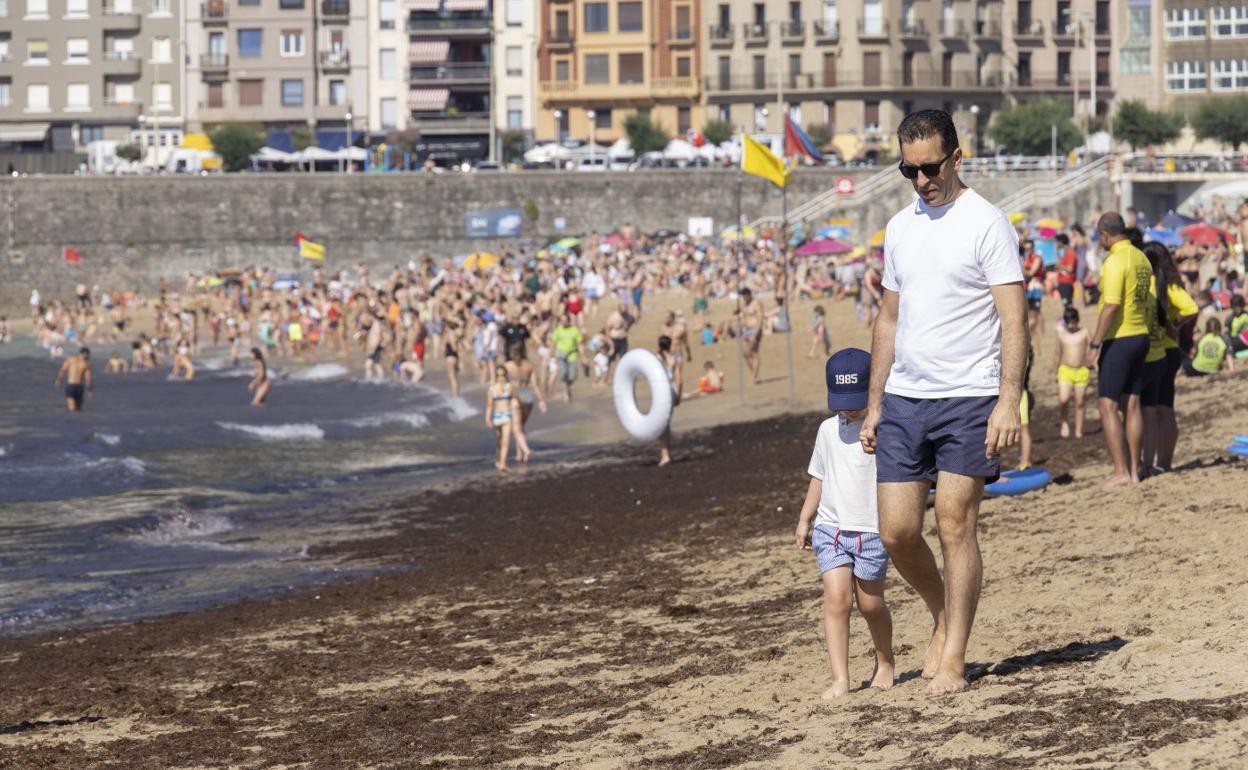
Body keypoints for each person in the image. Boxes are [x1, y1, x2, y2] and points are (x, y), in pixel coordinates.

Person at [859, 109, 1026, 695]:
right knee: (897, 533)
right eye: (909, 170)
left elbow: (1014, 319)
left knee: (955, 521)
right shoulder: (900, 228)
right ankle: (942, 614)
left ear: (957, 158)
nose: (922, 180)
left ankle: (954, 657)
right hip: (905, 397)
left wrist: (1008, 400)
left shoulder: (987, 224)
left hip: (970, 395)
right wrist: (875, 402)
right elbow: (888, 318)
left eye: (930, 167)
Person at [794, 348, 894, 700]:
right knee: (836, 599)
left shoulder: (885, 428)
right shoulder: (827, 430)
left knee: (870, 605)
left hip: (871, 530)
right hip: (831, 528)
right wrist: (805, 519)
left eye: (856, 402)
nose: (849, 410)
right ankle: (840, 678)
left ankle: (885, 660)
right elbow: (818, 477)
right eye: (842, 402)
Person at [1086, 212, 1153, 487]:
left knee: (1107, 405)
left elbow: (1111, 305)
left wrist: (1095, 343)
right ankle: (1135, 471)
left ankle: (1120, 471)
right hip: (1141, 335)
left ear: (1104, 234)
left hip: (1120, 338)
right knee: (1132, 403)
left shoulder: (1115, 261)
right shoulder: (1141, 257)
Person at [1140, 242, 1198, 476]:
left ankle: (1153, 463)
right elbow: (1191, 308)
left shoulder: (1150, 283)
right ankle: (1165, 463)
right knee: (1166, 409)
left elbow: (1191, 308)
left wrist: (1172, 324)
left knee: (1151, 411)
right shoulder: (1170, 283)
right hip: (1170, 351)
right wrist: (1174, 325)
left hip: (1154, 351)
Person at [504, 342, 546, 464]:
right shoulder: (529, 365)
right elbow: (535, 384)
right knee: (521, 427)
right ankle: (519, 454)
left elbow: (503, 384)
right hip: (527, 394)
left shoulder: (507, 366)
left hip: (515, 395)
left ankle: (526, 450)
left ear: (511, 353)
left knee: (516, 428)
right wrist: (541, 400)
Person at [1054, 306, 1091, 439]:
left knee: (1079, 402)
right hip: (1065, 370)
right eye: (1068, 323)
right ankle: (1064, 422)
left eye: (1073, 322)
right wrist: (1054, 372)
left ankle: (1079, 428)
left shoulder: (1085, 332)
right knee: (1063, 399)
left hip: (1081, 370)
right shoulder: (1061, 334)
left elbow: (1092, 348)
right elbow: (1057, 353)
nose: (1071, 326)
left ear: (1077, 320)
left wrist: (1092, 362)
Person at [657, 335, 682, 467]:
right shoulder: (674, 359)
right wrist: (678, 395)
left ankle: (665, 455)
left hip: (660, 393)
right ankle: (666, 453)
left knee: (662, 425)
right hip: (671, 391)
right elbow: (679, 380)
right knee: (665, 423)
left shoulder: (656, 359)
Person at [484, 364, 514, 474]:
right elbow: (514, 401)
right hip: (503, 415)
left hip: (501, 415)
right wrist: (488, 418)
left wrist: (488, 418)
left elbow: (489, 405)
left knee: (503, 440)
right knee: (501, 441)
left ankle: (502, 463)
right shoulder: (506, 387)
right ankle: (499, 460)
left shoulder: (496, 389)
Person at [551, 312, 585, 402]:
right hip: (561, 354)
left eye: (565, 320)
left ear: (569, 321)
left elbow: (579, 344)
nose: (563, 322)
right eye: (562, 321)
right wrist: (551, 355)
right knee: (563, 374)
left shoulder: (574, 330)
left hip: (572, 354)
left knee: (572, 376)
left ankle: (568, 387)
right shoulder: (558, 330)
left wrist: (583, 357)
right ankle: (565, 393)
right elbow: (553, 343)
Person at [54, 347, 94, 412]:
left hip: (71, 386)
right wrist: (89, 391)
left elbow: (63, 370)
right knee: (78, 409)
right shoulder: (86, 364)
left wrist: (58, 381)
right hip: (79, 387)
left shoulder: (70, 360)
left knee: (72, 410)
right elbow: (88, 379)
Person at [739, 287, 764, 384]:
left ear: (749, 294)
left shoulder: (756, 303)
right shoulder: (744, 304)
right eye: (743, 296)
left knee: (754, 352)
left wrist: (756, 333)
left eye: (745, 295)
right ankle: (755, 375)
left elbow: (760, 318)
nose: (744, 297)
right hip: (746, 330)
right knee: (745, 353)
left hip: (754, 329)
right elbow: (744, 317)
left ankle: (754, 377)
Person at [1055, 233, 1078, 306]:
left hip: (1067, 282)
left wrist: (1060, 266)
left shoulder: (1070, 252)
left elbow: (1070, 269)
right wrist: (1057, 253)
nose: (1056, 244)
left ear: (1061, 242)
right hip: (1063, 282)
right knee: (1066, 305)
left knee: (1068, 305)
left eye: (1057, 242)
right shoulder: (1066, 252)